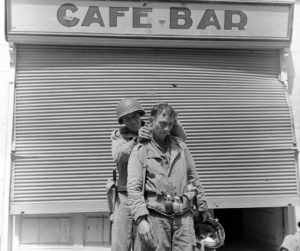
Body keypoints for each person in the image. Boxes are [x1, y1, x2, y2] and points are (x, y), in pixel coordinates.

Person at [127, 103, 210, 251]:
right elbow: (134, 188)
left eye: (170, 124)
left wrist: (202, 206)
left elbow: (193, 177)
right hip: (155, 218)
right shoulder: (141, 149)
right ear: (151, 122)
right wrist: (140, 220)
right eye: (162, 124)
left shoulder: (181, 147)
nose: (166, 129)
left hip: (183, 218)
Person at [110, 98, 186, 251]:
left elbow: (181, 139)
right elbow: (118, 156)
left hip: (146, 196)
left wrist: (170, 118)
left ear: (141, 115)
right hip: (125, 195)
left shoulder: (153, 127)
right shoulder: (119, 135)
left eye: (135, 116)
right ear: (122, 121)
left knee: (145, 243)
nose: (132, 121)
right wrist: (137, 139)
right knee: (120, 243)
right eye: (127, 118)